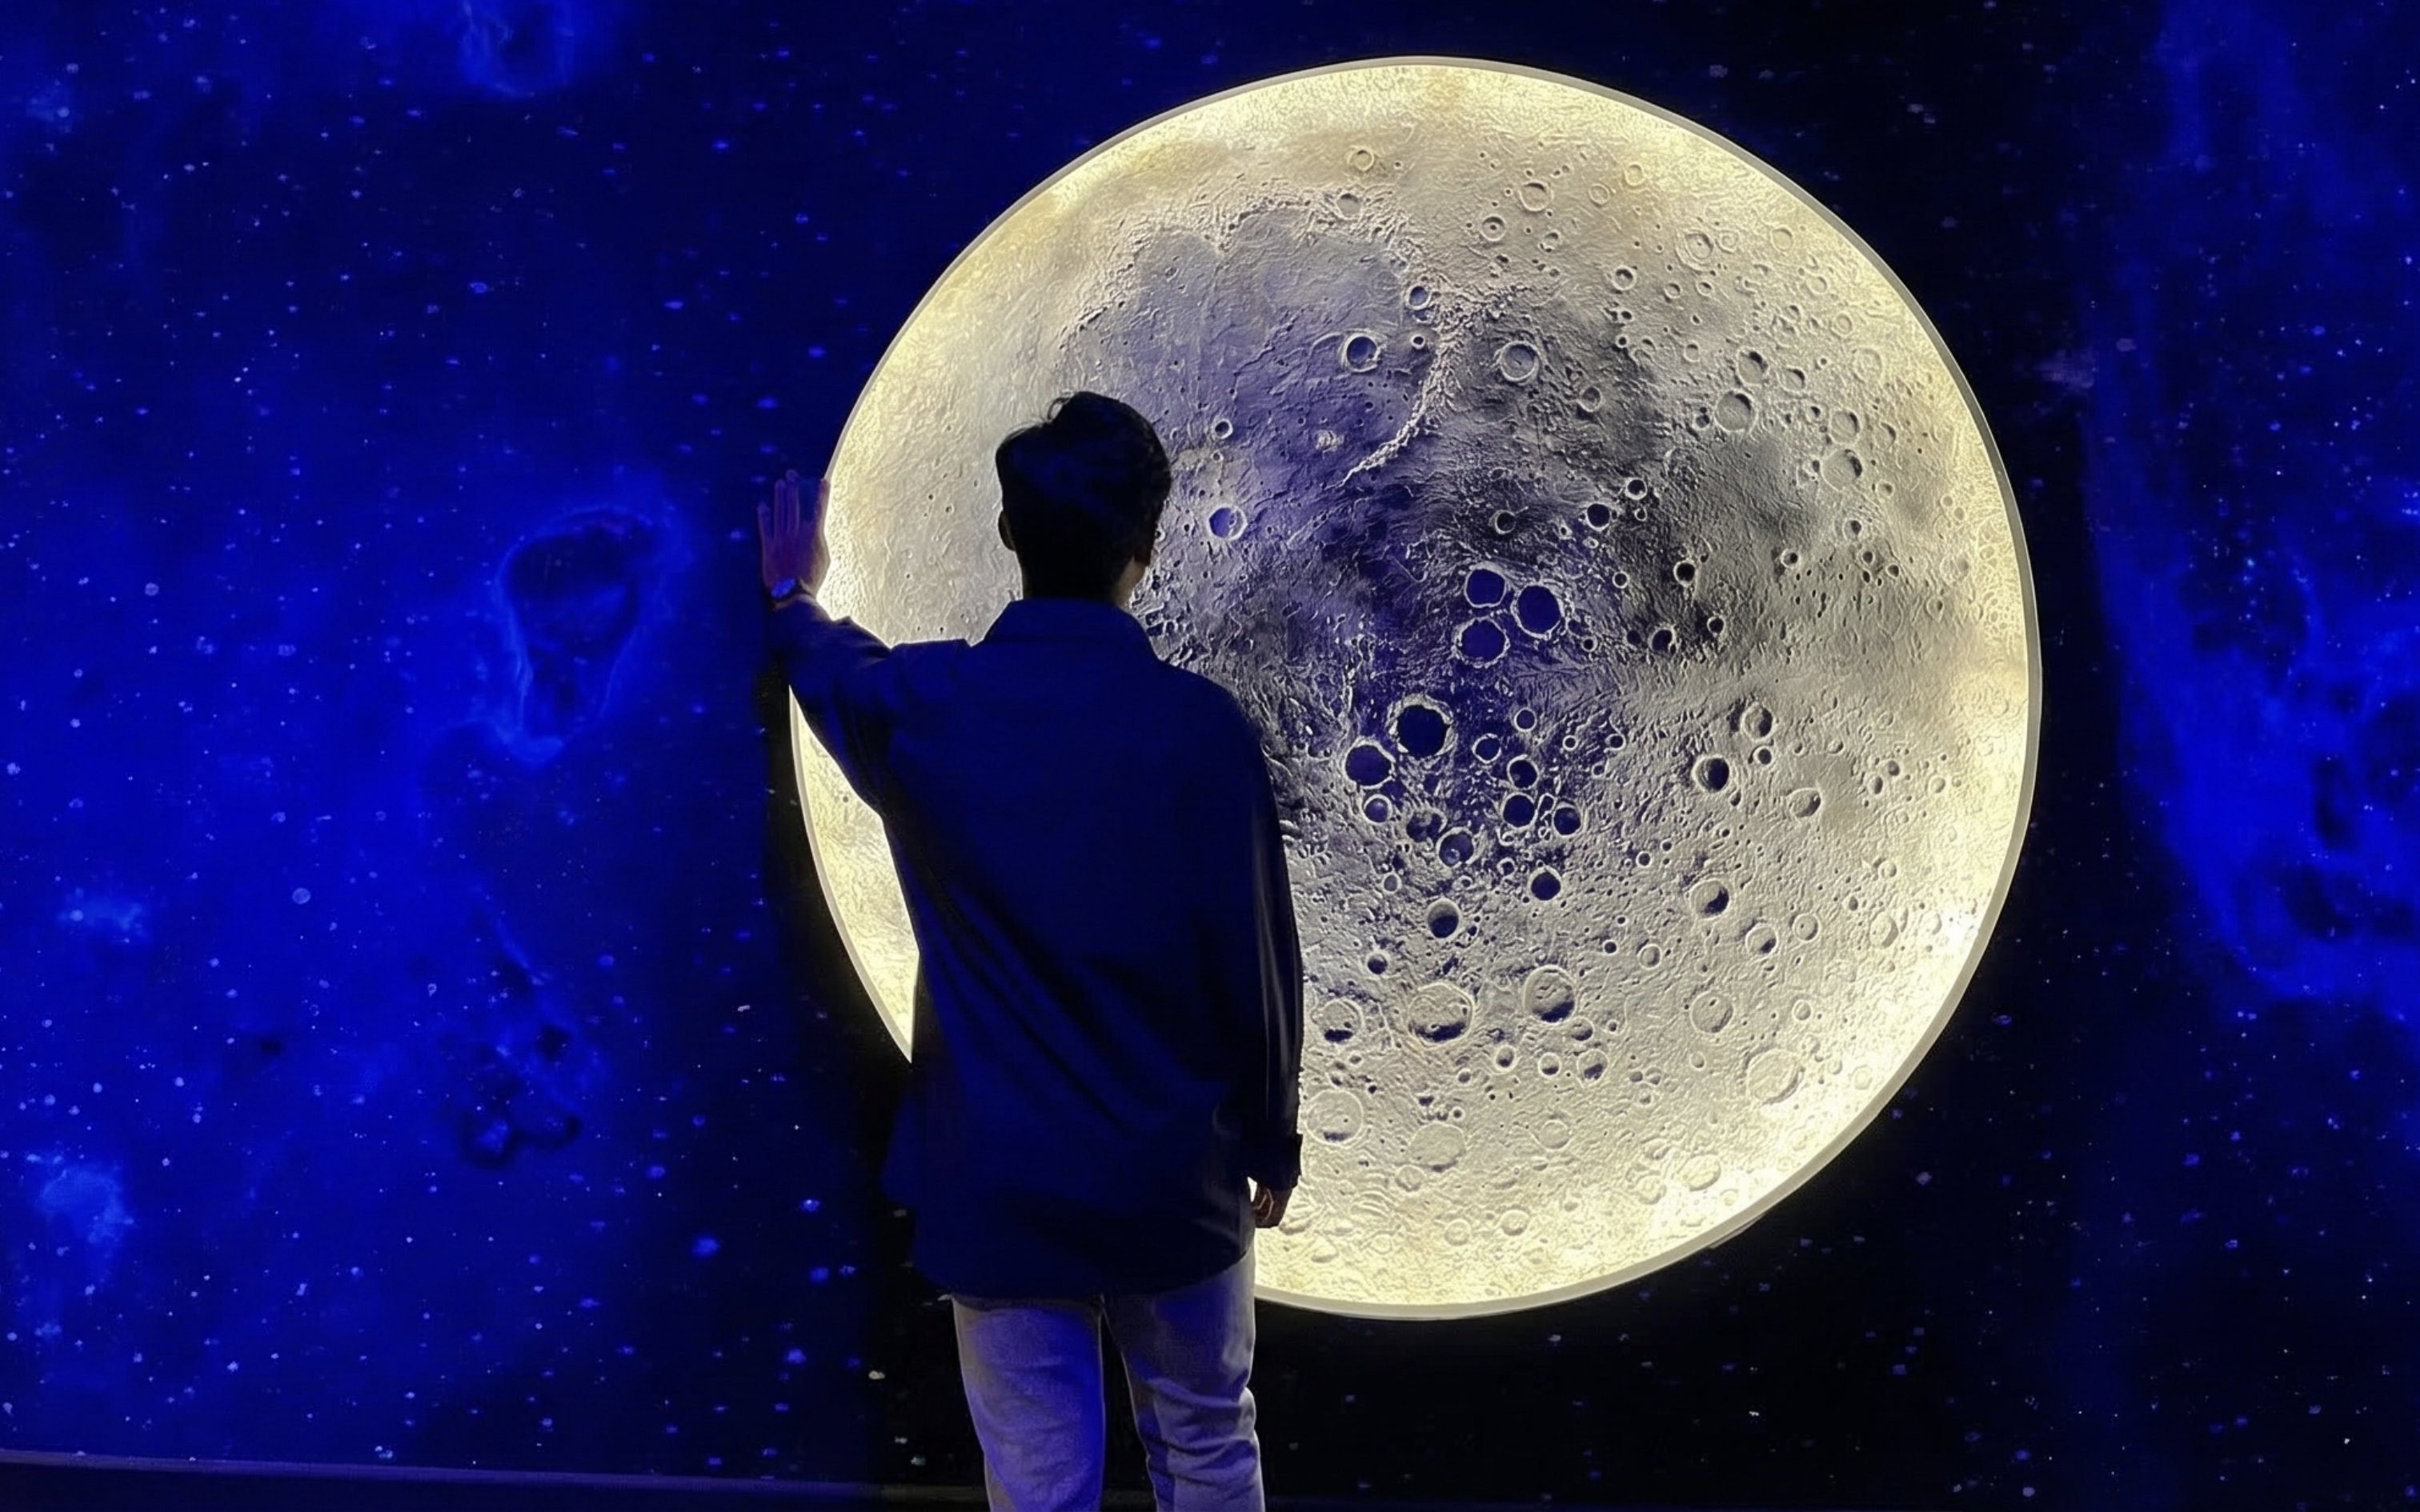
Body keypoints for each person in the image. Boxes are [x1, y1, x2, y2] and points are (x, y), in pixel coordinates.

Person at [755, 391, 1305, 1510]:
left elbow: (830, 666)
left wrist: (787, 590)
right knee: (1206, 1447)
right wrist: (1272, 1136)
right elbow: (1256, 956)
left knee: (1040, 1486)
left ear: (1009, 532)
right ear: (1146, 548)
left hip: (1000, 1182)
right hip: (1171, 1177)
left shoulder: (932, 709)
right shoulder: (1201, 733)